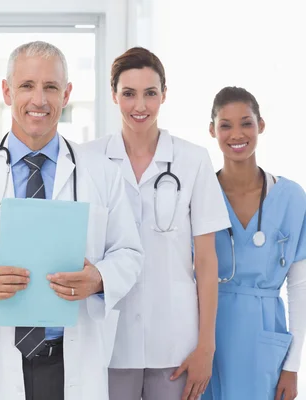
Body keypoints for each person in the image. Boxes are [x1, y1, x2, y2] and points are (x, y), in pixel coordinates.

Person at [0, 41, 144, 400]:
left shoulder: (101, 175)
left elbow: (130, 253)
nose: (39, 100)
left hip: (72, 358)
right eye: (27, 86)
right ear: (6, 91)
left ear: (67, 93)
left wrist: (100, 278)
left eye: (51, 87)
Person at [83, 47, 230, 400]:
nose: (140, 106)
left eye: (150, 93)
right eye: (129, 94)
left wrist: (205, 347)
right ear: (114, 94)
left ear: (164, 94)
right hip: (108, 343)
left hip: (176, 343)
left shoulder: (193, 160)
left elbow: (207, 263)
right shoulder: (88, 159)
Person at [203, 86, 306, 400]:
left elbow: (300, 287)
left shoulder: (291, 198)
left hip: (263, 339)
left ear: (261, 125)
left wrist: (292, 366)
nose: (237, 134)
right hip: (206, 335)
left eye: (246, 123)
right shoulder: (201, 193)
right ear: (212, 130)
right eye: (226, 124)